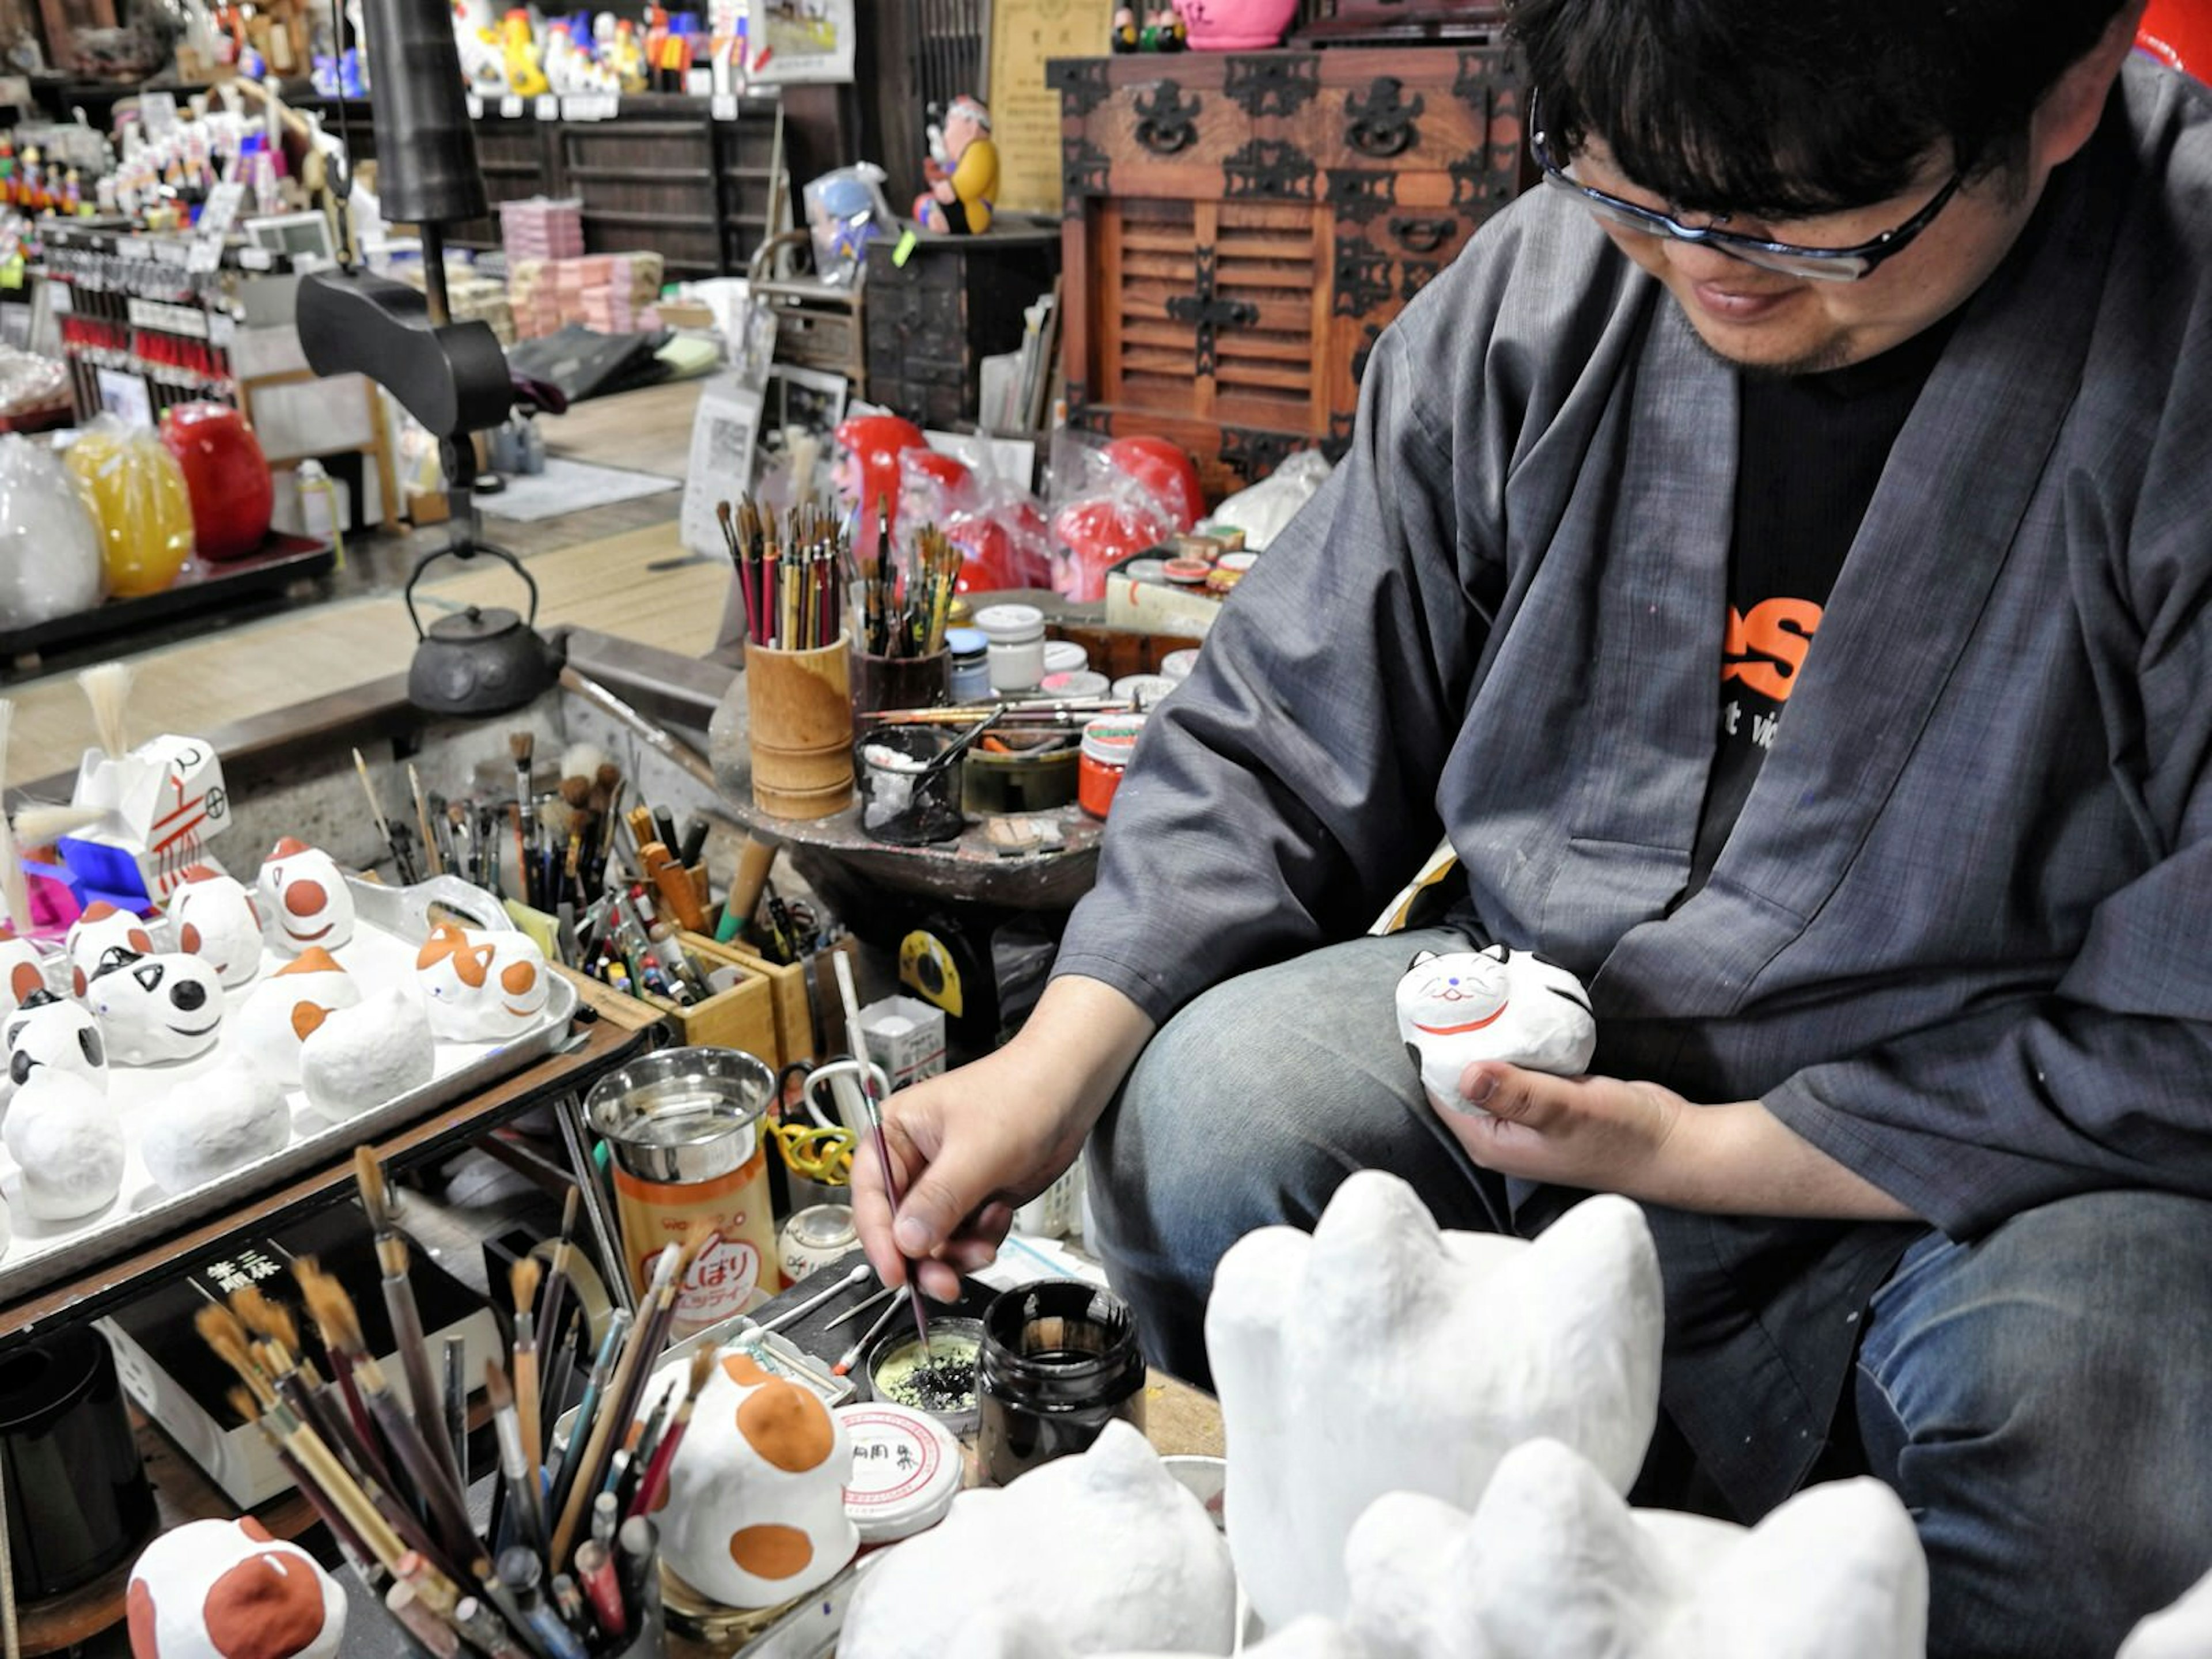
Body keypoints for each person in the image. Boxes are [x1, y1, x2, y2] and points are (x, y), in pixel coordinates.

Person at [855, 2, 2212, 1653]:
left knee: (2115, 1428)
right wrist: (1043, 1069)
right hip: (1553, 1042)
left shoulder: (2183, 323)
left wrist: (1703, 1156)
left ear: (2067, 85)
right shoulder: (1557, 278)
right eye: (1646, 193)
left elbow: (2181, 1027)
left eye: (1807, 224)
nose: (1713, 270)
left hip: (1986, 1148)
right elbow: (1290, 712)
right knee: (1202, 1113)